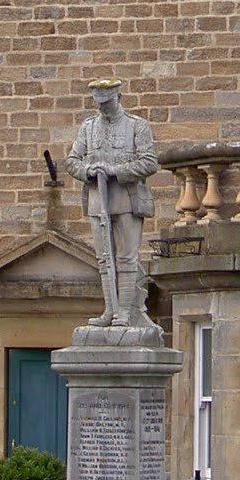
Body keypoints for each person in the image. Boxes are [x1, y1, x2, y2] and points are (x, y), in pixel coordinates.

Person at [64, 78, 159, 327]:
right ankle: (110, 310)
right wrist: (88, 170)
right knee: (104, 259)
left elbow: (150, 162)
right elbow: (72, 160)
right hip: (98, 201)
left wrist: (115, 171)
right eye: (99, 103)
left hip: (125, 200)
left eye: (107, 103)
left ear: (118, 98)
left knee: (126, 258)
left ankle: (125, 311)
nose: (103, 108)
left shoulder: (136, 126)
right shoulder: (88, 127)